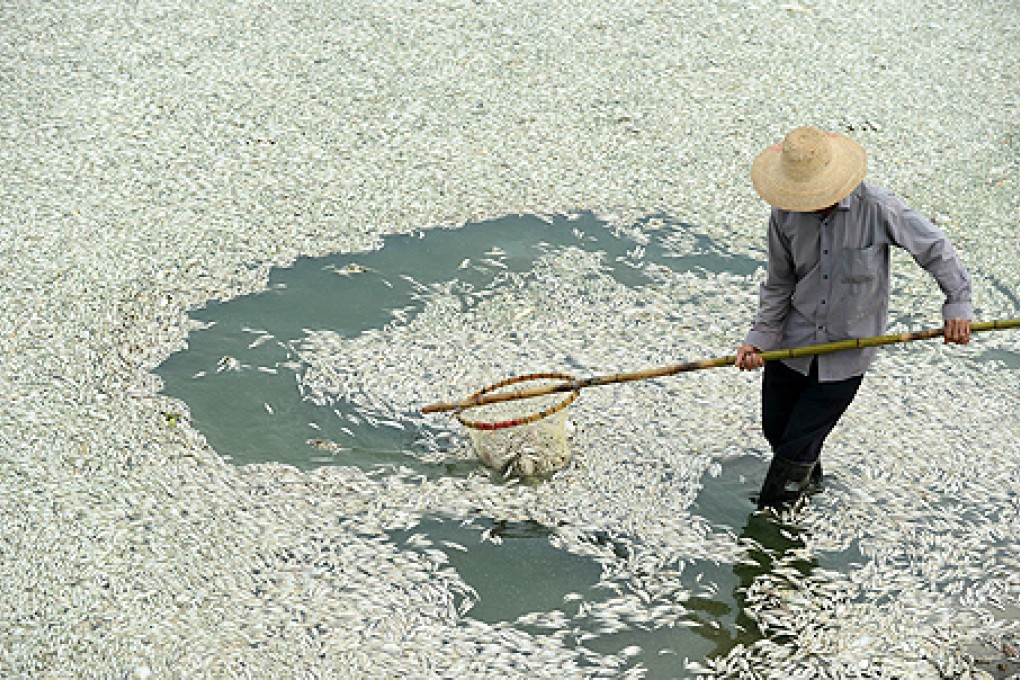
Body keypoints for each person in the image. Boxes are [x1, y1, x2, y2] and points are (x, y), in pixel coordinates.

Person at [736, 126, 973, 512]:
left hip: (847, 353)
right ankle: (811, 484)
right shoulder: (784, 215)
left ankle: (776, 515)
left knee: (796, 444)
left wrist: (957, 305)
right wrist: (759, 339)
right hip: (791, 345)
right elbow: (779, 283)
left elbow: (935, 249)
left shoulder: (879, 207)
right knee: (777, 431)